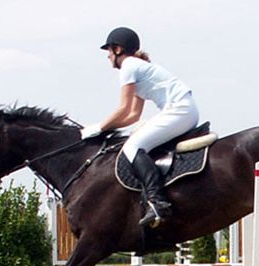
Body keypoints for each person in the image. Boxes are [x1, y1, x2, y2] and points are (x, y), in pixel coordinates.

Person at [81, 27, 200, 228]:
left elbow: (123, 109)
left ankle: (157, 201)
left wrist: (97, 128)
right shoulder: (136, 67)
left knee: (132, 147)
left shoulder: (129, 66)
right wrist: (105, 128)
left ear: (118, 49)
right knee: (134, 141)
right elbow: (133, 116)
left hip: (179, 110)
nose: (108, 56)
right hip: (183, 110)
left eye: (109, 51)